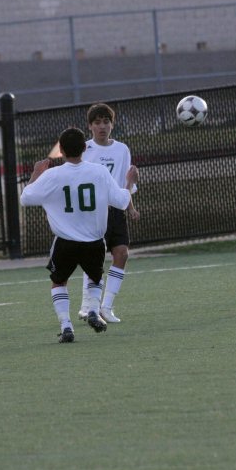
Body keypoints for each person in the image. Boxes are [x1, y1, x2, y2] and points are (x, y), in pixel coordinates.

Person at [21, 127, 137, 343]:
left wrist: (36, 174)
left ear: (61, 150)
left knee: (59, 282)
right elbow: (121, 201)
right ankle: (93, 310)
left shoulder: (52, 175)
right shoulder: (100, 172)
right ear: (85, 148)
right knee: (95, 278)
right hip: (94, 242)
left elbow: (25, 198)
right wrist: (129, 182)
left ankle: (66, 326)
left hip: (65, 242)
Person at [74, 103, 139, 324]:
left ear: (112, 124)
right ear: (90, 126)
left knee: (122, 254)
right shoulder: (84, 150)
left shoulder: (122, 149)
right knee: (95, 259)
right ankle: (86, 306)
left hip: (116, 211)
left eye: (106, 122)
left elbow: (124, 182)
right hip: (93, 214)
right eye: (97, 122)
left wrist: (130, 207)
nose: (102, 126)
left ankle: (107, 307)